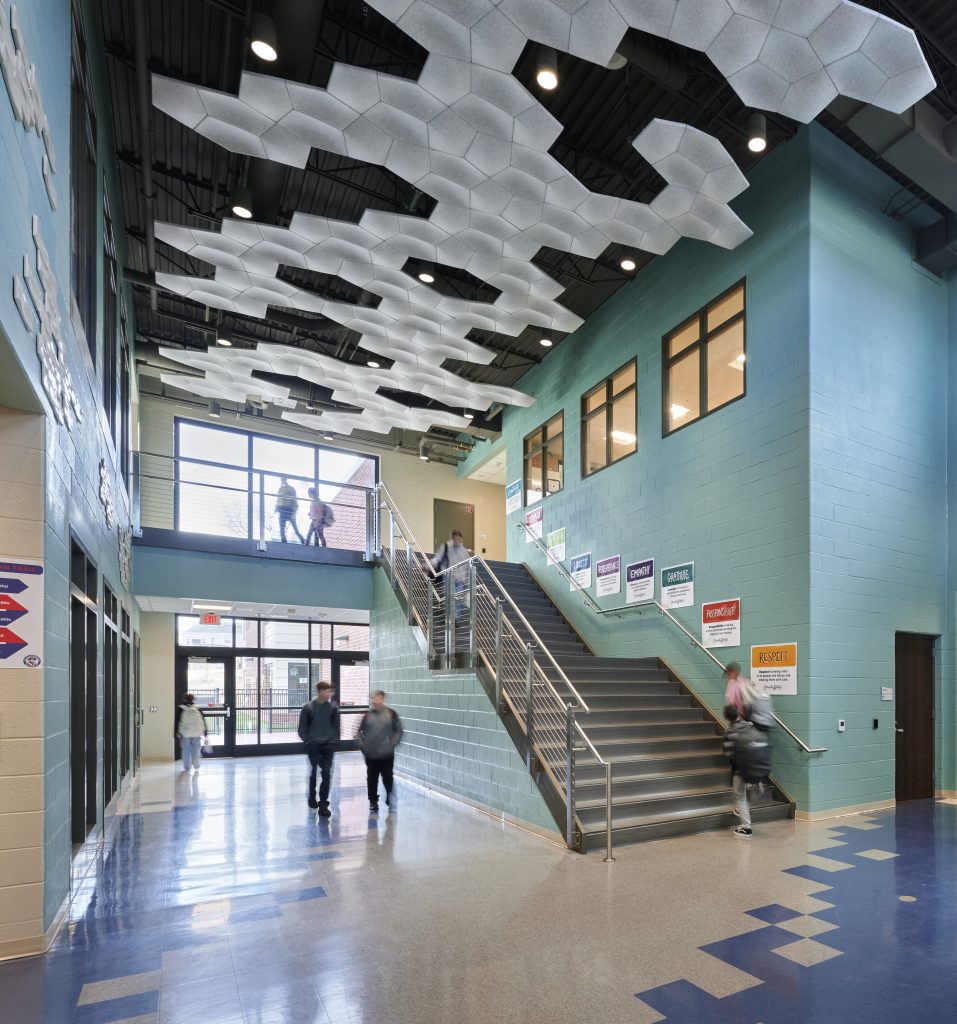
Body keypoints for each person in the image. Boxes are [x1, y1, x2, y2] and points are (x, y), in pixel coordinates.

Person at [723, 704, 771, 840]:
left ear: (727, 717)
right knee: (743, 796)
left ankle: (746, 828)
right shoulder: (750, 726)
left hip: (740, 769)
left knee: (740, 796)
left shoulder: (729, 732)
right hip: (755, 766)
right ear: (738, 714)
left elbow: (728, 753)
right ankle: (742, 808)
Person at [356, 690, 403, 813]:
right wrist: (364, 747)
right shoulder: (367, 715)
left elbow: (398, 730)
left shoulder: (391, 714)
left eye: (378, 698)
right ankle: (373, 801)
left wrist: (391, 744)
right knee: (372, 778)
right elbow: (359, 732)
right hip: (371, 754)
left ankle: (389, 796)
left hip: (386, 754)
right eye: (373, 699)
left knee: (387, 777)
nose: (375, 701)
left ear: (382, 699)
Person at [297, 681, 339, 816]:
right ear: (320, 691)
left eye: (331, 691)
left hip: (327, 746)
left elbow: (336, 728)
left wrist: (332, 742)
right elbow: (302, 729)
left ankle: (323, 804)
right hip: (313, 745)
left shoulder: (333, 708)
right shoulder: (308, 708)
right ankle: (311, 796)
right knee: (313, 773)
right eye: (327, 691)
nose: (330, 694)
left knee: (326, 774)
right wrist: (309, 741)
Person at [430, 528, 470, 618]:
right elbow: (437, 559)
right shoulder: (446, 547)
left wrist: (467, 582)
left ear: (461, 539)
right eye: (455, 539)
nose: (457, 541)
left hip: (460, 580)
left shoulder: (464, 551)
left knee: (458, 599)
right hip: (448, 577)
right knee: (450, 598)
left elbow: (468, 566)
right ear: (451, 539)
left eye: (458, 539)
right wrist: (427, 565)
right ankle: (453, 618)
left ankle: (456, 619)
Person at [175, 693, 208, 775]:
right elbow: (203, 720)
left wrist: (176, 732)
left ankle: (187, 766)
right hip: (196, 732)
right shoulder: (197, 708)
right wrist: (205, 732)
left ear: (184, 699)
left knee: (186, 749)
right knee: (196, 747)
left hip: (186, 732)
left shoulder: (181, 708)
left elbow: (177, 721)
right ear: (193, 699)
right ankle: (195, 760)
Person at [275, 475, 305, 544]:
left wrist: (294, 512)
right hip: (282, 510)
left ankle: (303, 540)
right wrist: (277, 507)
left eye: (283, 479)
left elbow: (294, 500)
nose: (282, 481)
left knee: (295, 528)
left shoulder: (291, 488)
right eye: (281, 479)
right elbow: (279, 499)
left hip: (289, 510)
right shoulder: (280, 489)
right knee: (282, 529)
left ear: (286, 479)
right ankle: (284, 543)